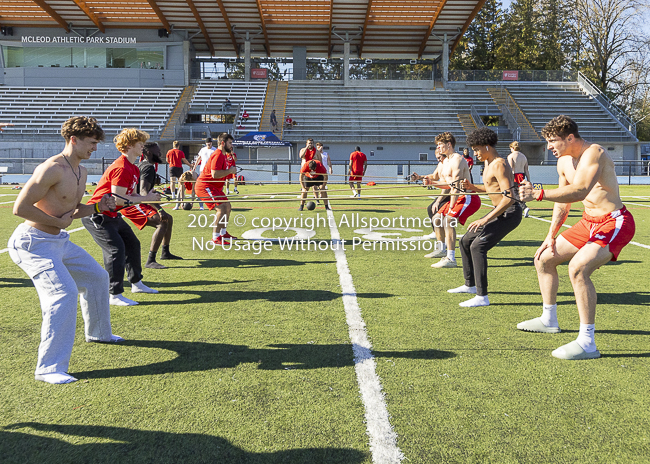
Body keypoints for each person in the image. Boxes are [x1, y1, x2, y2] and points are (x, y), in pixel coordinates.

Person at [8, 116, 123, 384]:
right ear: (74, 139)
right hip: (32, 243)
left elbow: (72, 211)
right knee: (63, 293)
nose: (95, 148)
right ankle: (48, 368)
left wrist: (98, 207)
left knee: (97, 278)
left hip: (59, 241)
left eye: (96, 143)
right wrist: (58, 222)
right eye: (91, 143)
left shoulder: (81, 171)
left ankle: (99, 333)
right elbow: (20, 208)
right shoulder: (51, 168)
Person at [517, 115, 635, 360]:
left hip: (614, 221)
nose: (549, 147)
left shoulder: (595, 152)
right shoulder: (563, 162)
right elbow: (564, 201)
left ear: (569, 138)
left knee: (578, 269)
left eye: (553, 141)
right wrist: (550, 236)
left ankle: (587, 343)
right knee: (544, 259)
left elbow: (580, 189)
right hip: (587, 222)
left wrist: (538, 194)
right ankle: (549, 319)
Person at [82, 128, 161, 307]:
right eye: (140, 143)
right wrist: (147, 199)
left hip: (111, 215)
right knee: (116, 250)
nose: (143, 146)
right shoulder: (121, 167)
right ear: (129, 146)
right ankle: (114, 294)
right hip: (98, 215)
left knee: (133, 244)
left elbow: (130, 196)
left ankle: (136, 283)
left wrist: (145, 198)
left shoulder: (133, 167)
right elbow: (118, 200)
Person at [448, 127, 522, 307]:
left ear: (487, 146)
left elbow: (510, 197)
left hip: (509, 213)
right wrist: (472, 187)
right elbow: (492, 188)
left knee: (477, 246)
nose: (474, 153)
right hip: (500, 211)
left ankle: (482, 296)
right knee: (465, 241)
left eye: (477, 149)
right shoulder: (489, 163)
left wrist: (485, 219)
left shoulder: (499, 164)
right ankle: (470, 285)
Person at [121, 142, 182, 269]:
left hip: (137, 200)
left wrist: (153, 182)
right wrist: (159, 209)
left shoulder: (145, 165)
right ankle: (150, 260)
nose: (160, 153)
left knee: (168, 219)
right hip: (133, 203)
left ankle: (165, 252)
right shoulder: (148, 167)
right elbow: (143, 191)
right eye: (158, 151)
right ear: (149, 153)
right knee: (162, 221)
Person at [428, 132, 478, 268]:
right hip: (457, 195)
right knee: (436, 218)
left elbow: (455, 186)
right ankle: (441, 249)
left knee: (448, 220)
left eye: (440, 145)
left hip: (467, 197)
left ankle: (451, 258)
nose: (438, 147)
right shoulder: (446, 161)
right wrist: (430, 182)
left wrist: (451, 207)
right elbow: (447, 184)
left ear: (448, 144)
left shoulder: (457, 160)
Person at [194, 132, 238, 245]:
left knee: (227, 206)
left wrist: (231, 170)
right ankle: (215, 237)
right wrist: (230, 171)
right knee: (221, 208)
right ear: (223, 143)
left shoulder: (223, 155)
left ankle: (223, 233)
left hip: (215, 187)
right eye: (230, 143)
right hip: (205, 186)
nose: (231, 145)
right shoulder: (218, 154)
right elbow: (214, 174)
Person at [411, 147, 450, 245]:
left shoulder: (450, 165)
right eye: (437, 158)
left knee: (437, 211)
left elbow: (448, 186)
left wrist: (438, 201)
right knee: (430, 209)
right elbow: (434, 176)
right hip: (447, 192)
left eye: (439, 157)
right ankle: (436, 233)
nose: (438, 160)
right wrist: (420, 177)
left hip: (455, 194)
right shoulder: (441, 164)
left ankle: (444, 239)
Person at [508, 141, 531, 218]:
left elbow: (511, 169)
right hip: (522, 175)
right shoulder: (524, 156)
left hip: (515, 175)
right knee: (519, 192)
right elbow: (526, 170)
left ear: (513, 148)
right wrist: (528, 179)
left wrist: (508, 178)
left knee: (514, 193)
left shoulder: (511, 156)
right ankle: (520, 207)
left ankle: (524, 207)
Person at [193, 137, 217, 210]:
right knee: (201, 188)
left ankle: (213, 204)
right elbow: (198, 158)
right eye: (207, 143)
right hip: (202, 171)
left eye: (210, 142)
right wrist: (194, 167)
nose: (208, 144)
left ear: (211, 143)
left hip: (210, 172)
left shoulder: (214, 150)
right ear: (206, 143)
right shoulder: (203, 150)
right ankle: (201, 206)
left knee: (212, 188)